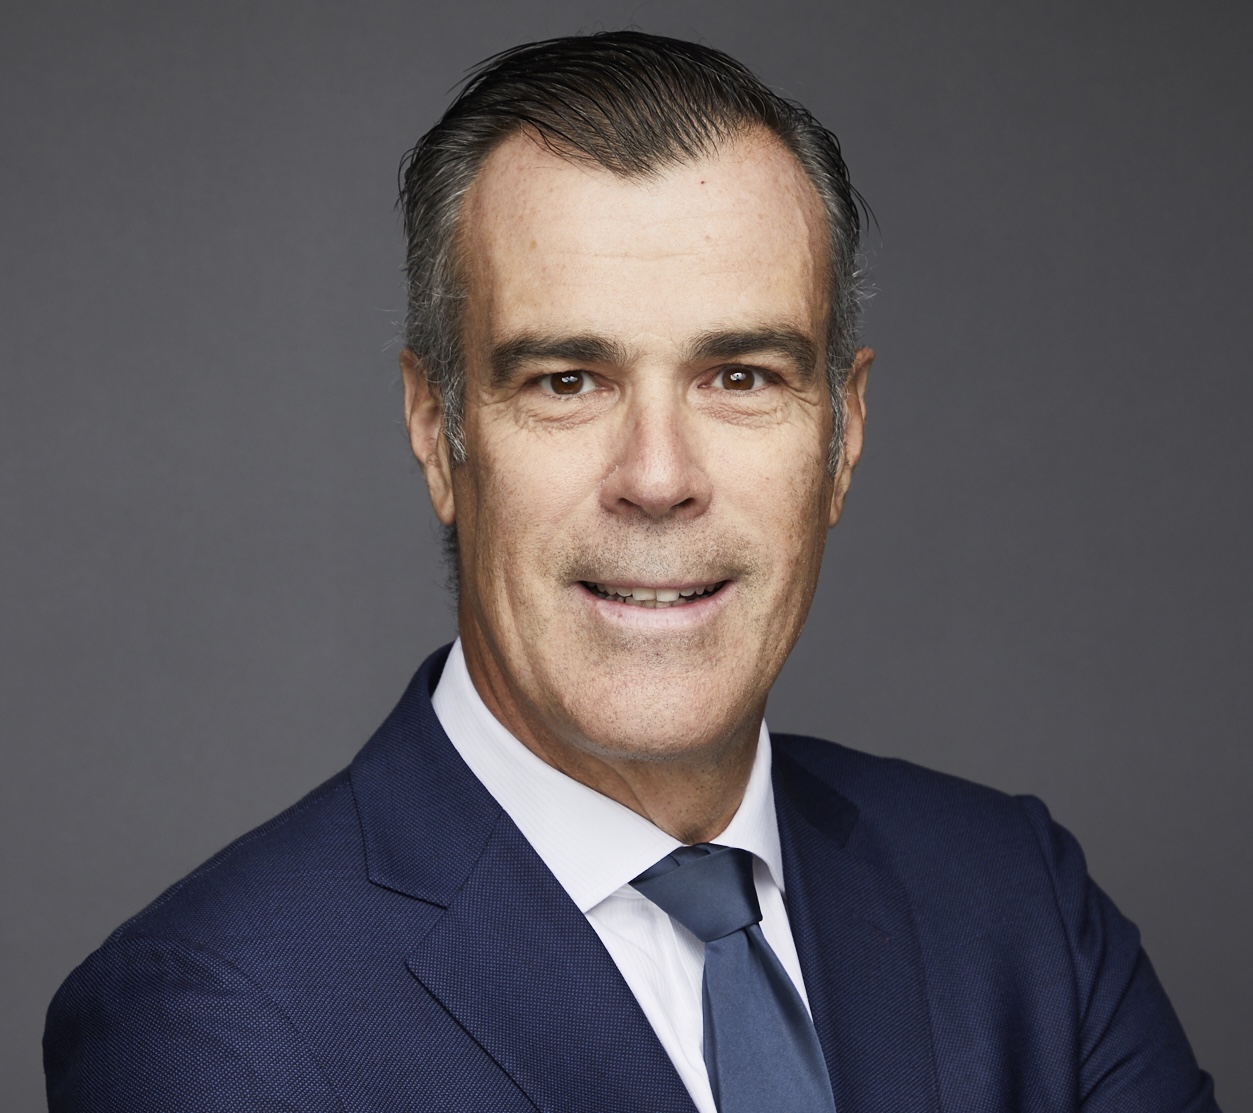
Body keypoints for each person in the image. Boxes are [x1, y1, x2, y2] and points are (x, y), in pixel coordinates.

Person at [43, 31, 1219, 1113]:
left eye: (742, 375)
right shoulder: (211, 1021)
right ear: (434, 429)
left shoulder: (1015, 903)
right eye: (565, 380)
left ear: (842, 435)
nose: (656, 477)